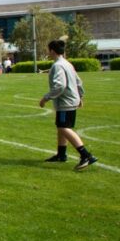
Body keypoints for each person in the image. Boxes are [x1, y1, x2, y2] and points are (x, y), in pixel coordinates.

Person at [39, 39, 97, 171]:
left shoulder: (58, 66)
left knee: (64, 128)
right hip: (71, 100)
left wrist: (45, 98)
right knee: (61, 127)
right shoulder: (67, 64)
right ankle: (61, 154)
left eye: (48, 50)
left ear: (52, 51)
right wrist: (80, 96)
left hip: (65, 102)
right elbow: (78, 81)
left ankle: (86, 155)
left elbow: (60, 85)